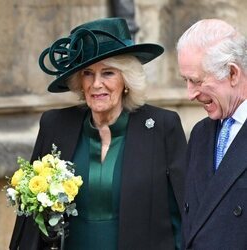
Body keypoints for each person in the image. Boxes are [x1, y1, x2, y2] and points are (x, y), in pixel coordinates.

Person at [10, 17, 187, 250]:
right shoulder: (56, 125)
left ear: (126, 79)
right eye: (87, 73)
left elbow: (183, 213)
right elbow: (29, 221)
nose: (96, 84)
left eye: (108, 73)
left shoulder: (163, 126)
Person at [176, 19, 247, 250]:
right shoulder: (200, 133)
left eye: (196, 81)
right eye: (185, 80)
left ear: (233, 74)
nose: (190, 94)